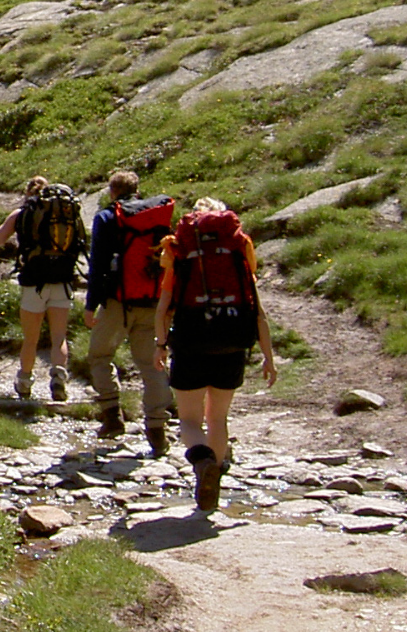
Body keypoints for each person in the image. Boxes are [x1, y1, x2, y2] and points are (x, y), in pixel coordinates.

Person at [154, 197, 279, 511]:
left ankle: (202, 463)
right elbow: (258, 312)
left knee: (190, 420)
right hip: (233, 341)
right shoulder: (237, 251)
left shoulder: (181, 250)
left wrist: (160, 345)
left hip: (190, 342)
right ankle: (214, 483)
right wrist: (269, 356)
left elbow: (162, 310)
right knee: (218, 418)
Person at [84, 171, 175, 455]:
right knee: (152, 365)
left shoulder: (106, 218)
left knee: (99, 355)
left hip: (116, 302)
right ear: (137, 190)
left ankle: (112, 416)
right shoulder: (156, 215)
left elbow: (97, 265)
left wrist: (90, 305)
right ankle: (157, 431)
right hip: (152, 301)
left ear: (112, 191)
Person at [0, 176, 83, 402]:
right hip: (62, 279)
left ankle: (24, 382)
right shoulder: (65, 213)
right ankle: (59, 378)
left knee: (30, 338)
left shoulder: (23, 212)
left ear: (28, 193)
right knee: (59, 336)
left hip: (33, 281)